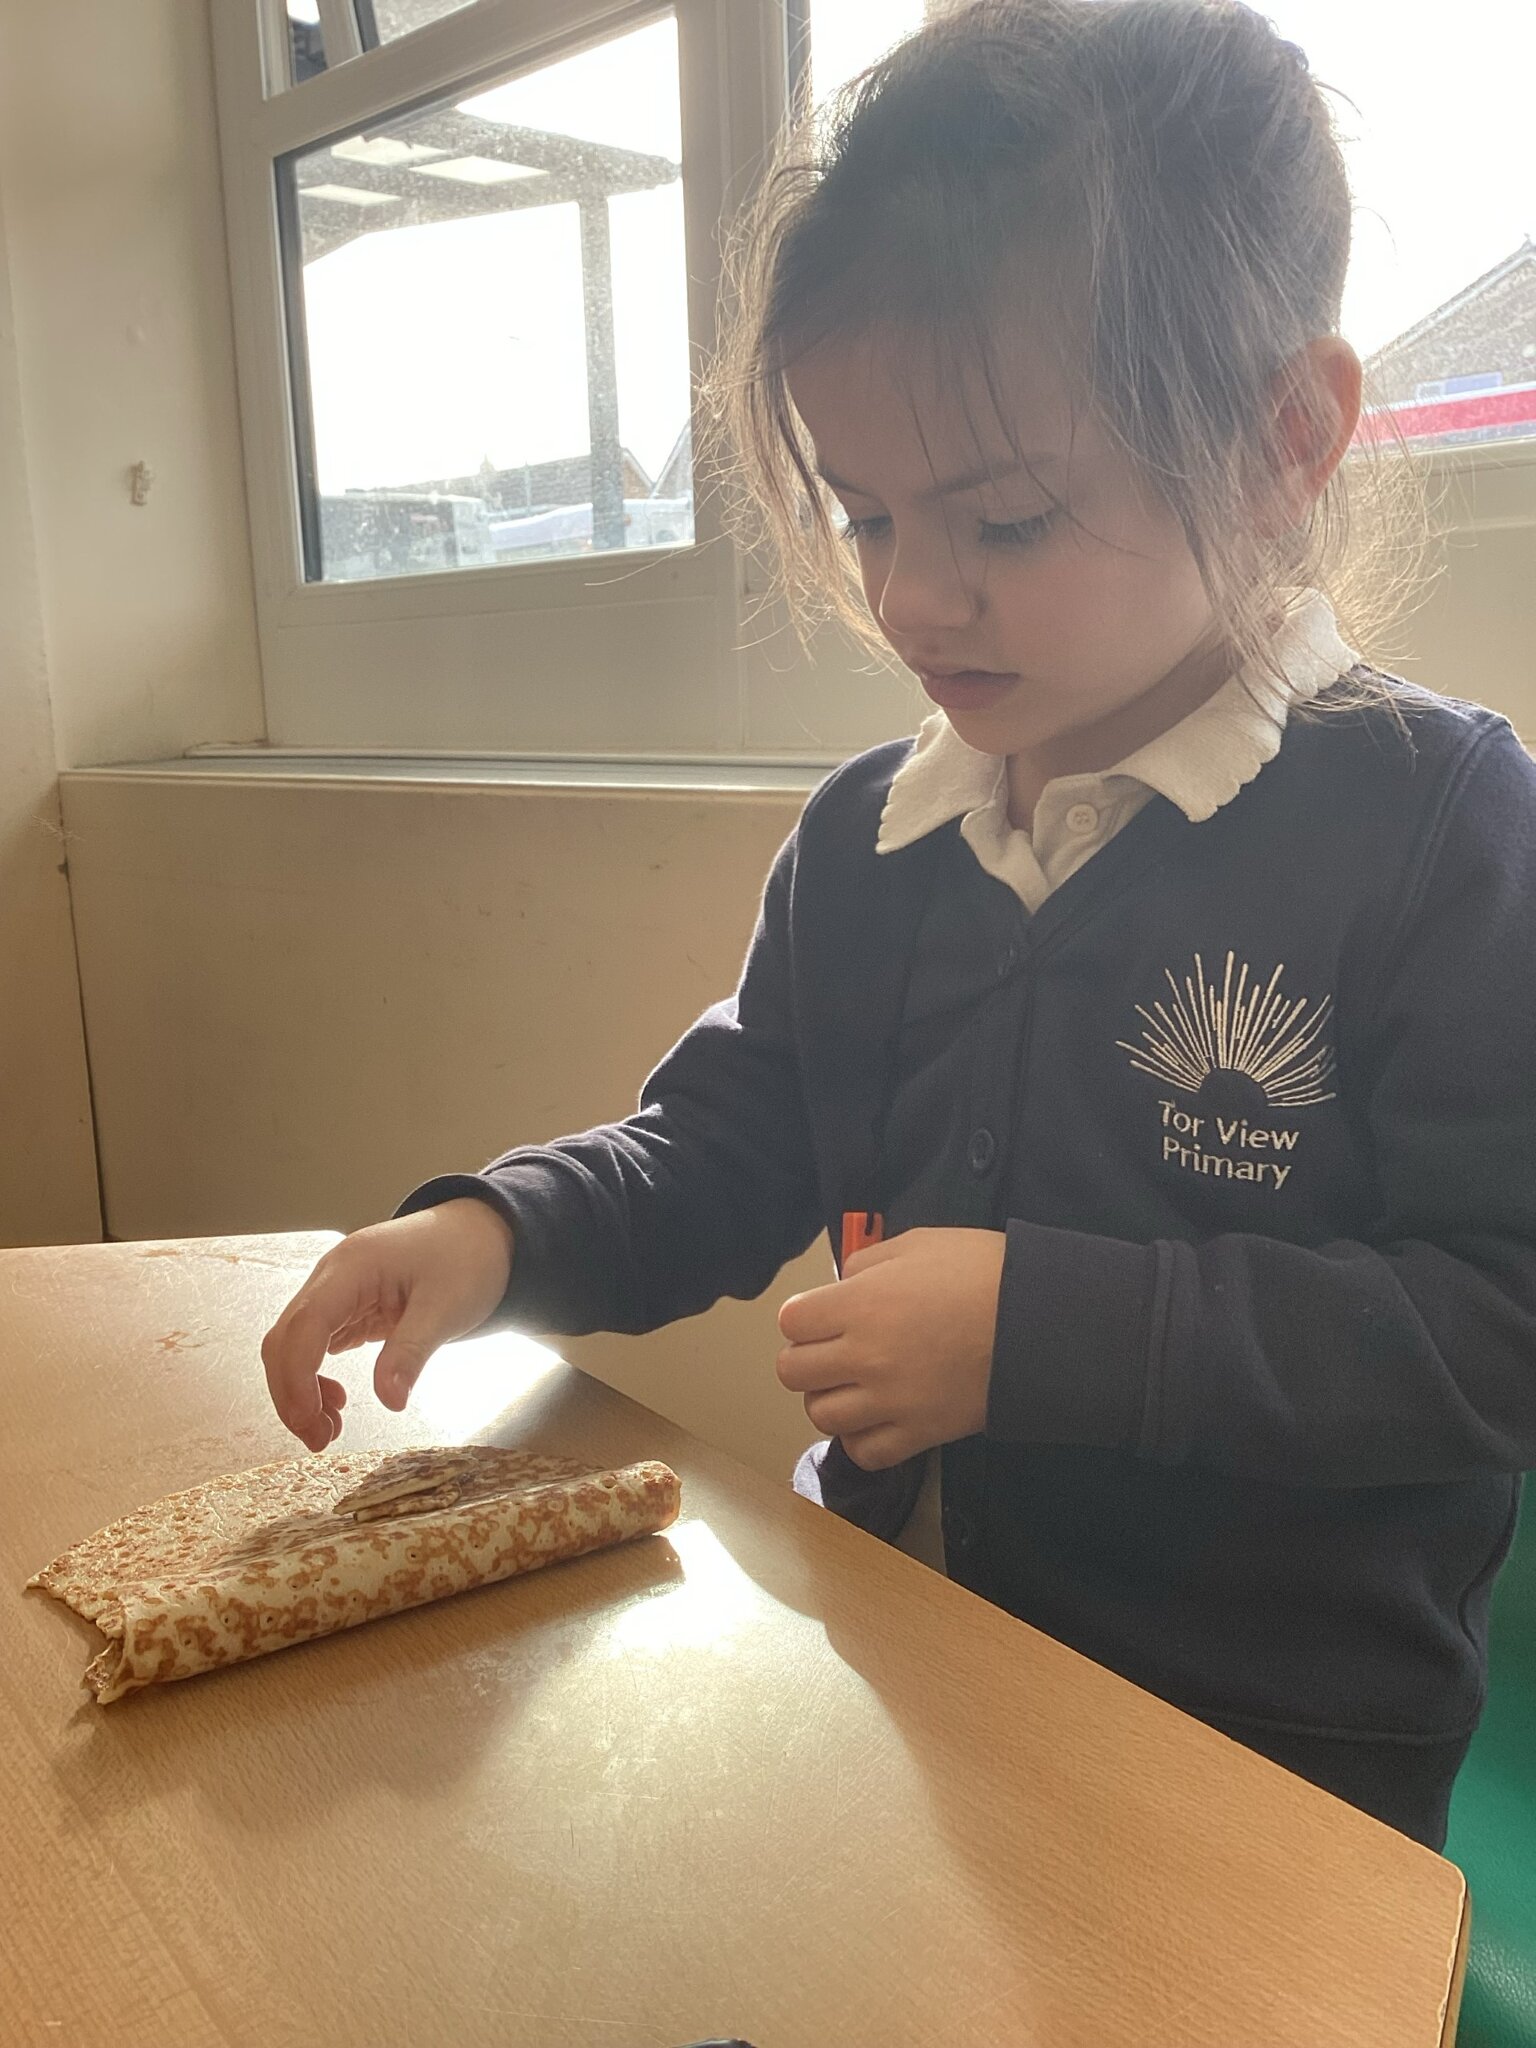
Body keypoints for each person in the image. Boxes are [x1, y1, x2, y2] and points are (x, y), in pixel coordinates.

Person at [261, 0, 1536, 1850]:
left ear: (1283, 440)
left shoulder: (1432, 828)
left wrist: (1052, 1331)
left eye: (1005, 518)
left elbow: (1497, 1319)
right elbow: (729, 1139)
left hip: (1271, 1775)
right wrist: (494, 1232)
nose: (916, 597)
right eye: (864, 515)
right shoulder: (872, 838)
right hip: (900, 1665)